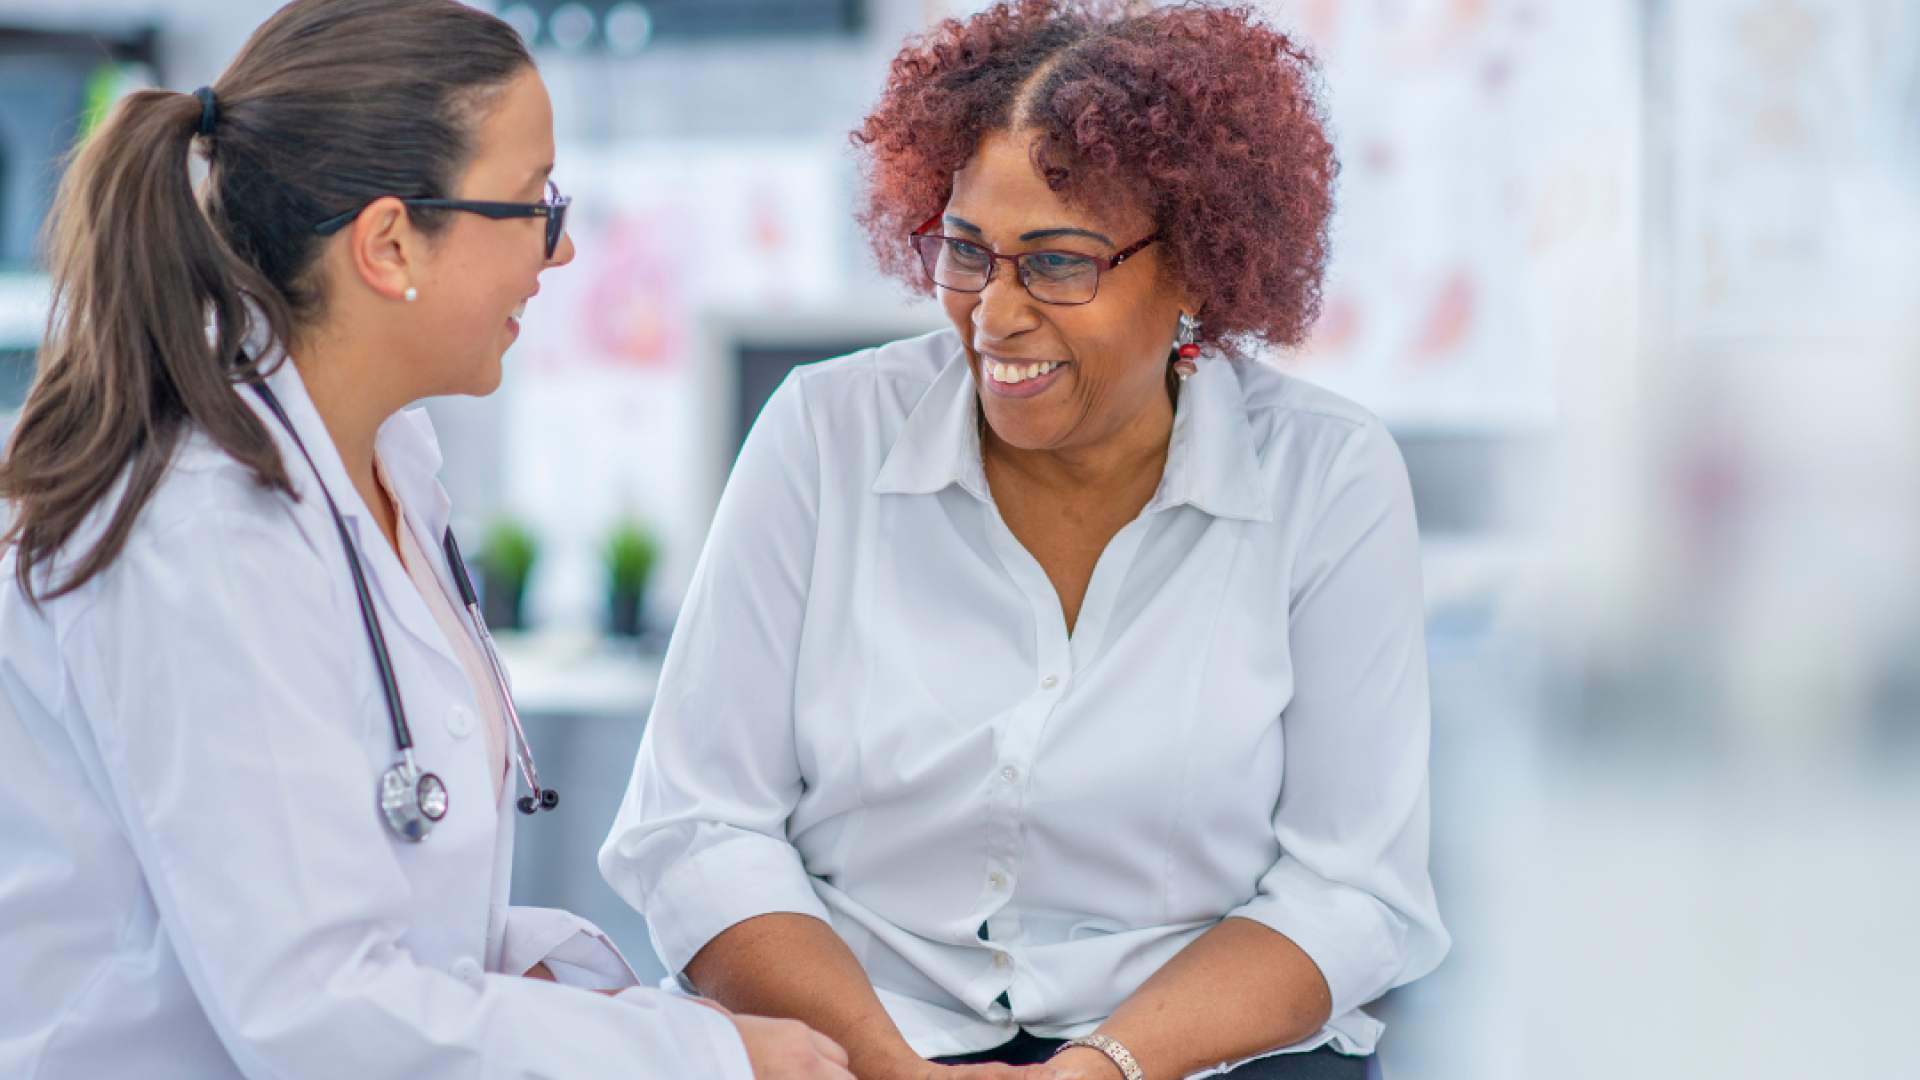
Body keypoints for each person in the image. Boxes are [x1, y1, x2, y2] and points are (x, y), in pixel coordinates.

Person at [0, 2, 853, 1078]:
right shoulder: (204, 527)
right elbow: (319, 1012)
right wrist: (700, 1058)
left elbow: (355, 891)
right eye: (536, 203)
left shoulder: (391, 463)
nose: (565, 245)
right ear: (392, 241)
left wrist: (560, 977)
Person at [599, 1, 1449, 1078]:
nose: (993, 314)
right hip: (861, 1041)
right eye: (967, 251)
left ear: (1196, 268)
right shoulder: (824, 436)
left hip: (1191, 1055)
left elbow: (1351, 888)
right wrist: (887, 1067)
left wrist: (1100, 1067)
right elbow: (698, 828)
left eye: (1056, 263)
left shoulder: (1328, 477)